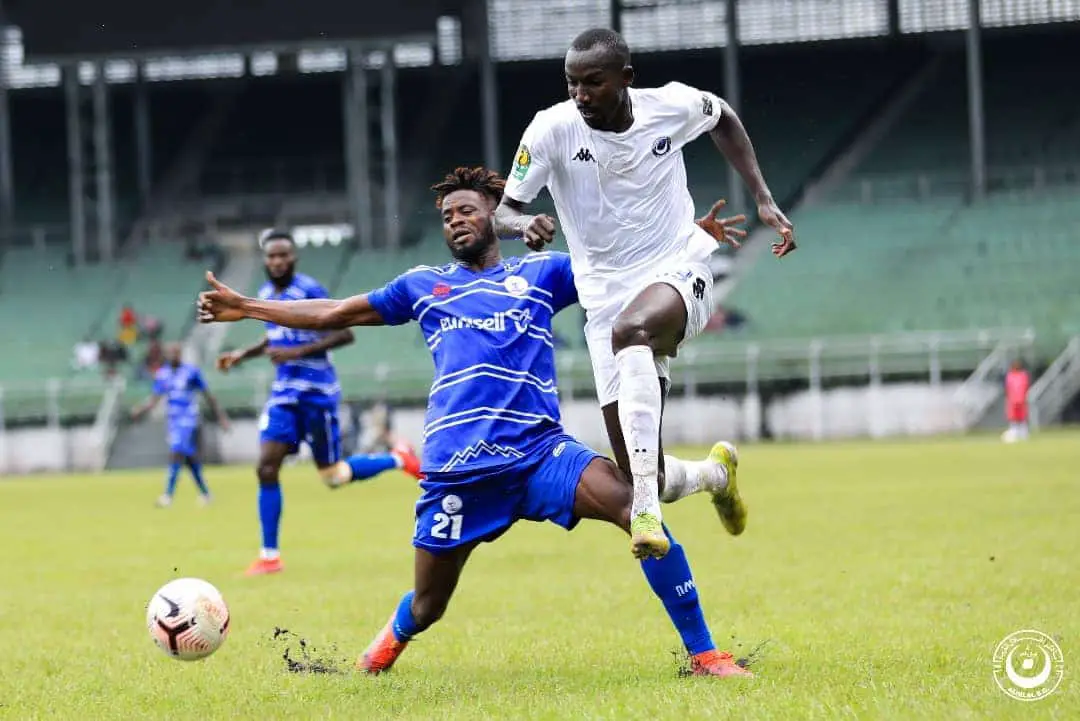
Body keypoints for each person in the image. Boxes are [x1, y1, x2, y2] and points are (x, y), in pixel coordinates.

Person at [197, 167, 752, 678]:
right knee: (428, 606)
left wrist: (687, 240)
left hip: (540, 455)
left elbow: (619, 269)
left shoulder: (544, 272)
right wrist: (246, 307)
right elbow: (336, 312)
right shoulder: (422, 285)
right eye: (446, 216)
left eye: (467, 210)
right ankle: (380, 651)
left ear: (496, 214)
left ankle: (704, 653)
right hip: (458, 473)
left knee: (637, 508)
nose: (456, 221)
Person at [493, 27, 796, 559]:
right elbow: (503, 210)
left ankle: (646, 513)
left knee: (631, 332)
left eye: (593, 82)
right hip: (604, 298)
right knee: (644, 470)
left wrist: (764, 199)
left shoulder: (670, 106)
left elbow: (721, 114)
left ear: (626, 79)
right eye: (571, 84)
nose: (581, 95)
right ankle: (714, 476)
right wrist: (523, 226)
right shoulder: (550, 130)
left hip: (682, 267)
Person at [214, 229, 422, 576]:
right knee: (266, 467)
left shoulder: (309, 290)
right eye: (272, 256)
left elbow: (344, 332)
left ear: (293, 259)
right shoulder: (265, 294)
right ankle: (270, 556)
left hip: (317, 394)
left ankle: (396, 459)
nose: (277, 261)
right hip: (284, 395)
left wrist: (297, 352)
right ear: (265, 260)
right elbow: (274, 338)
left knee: (333, 476)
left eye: (284, 256)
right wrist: (241, 355)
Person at [130, 342, 230, 507]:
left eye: (176, 353)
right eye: (170, 353)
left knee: (176, 451)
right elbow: (155, 398)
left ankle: (167, 496)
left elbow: (208, 395)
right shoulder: (163, 374)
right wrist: (140, 410)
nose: (173, 356)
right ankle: (206, 493)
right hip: (173, 420)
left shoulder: (191, 372)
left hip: (189, 419)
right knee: (189, 459)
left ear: (181, 354)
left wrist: (221, 417)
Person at [1002, 360, 1031, 443]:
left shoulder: (1023, 375)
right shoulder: (1010, 376)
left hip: (1021, 400)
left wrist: (1023, 397)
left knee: (1022, 418)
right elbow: (1008, 388)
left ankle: (1024, 434)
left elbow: (1025, 387)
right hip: (1012, 400)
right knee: (1013, 419)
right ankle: (1014, 434)